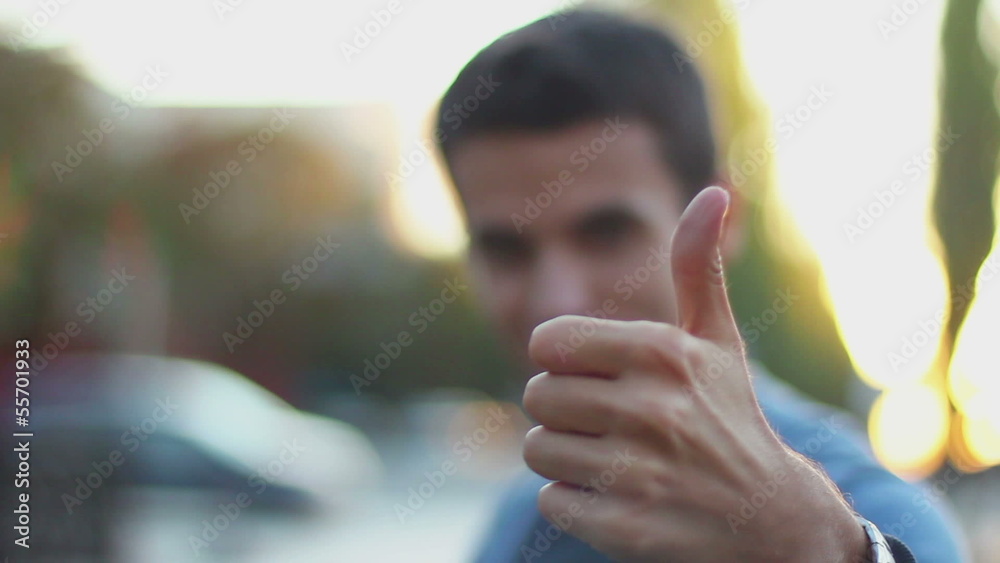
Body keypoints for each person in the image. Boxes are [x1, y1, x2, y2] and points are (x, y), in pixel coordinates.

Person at [434, 9, 968, 563]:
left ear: (723, 225)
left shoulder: (878, 519)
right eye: (506, 251)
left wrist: (820, 549)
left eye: (607, 233)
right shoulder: (526, 521)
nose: (557, 302)